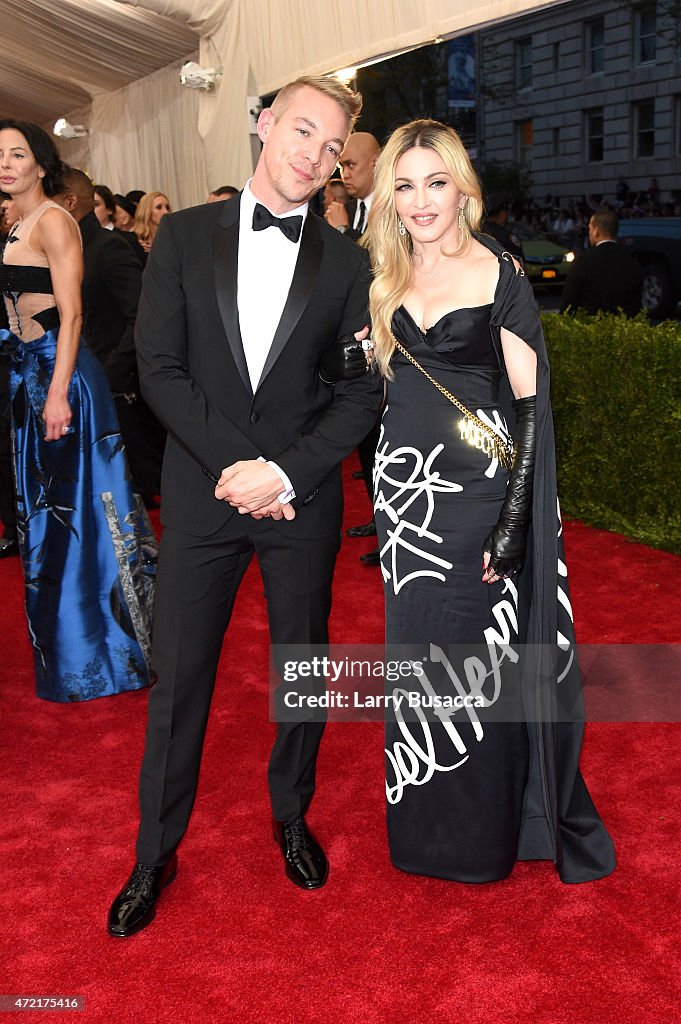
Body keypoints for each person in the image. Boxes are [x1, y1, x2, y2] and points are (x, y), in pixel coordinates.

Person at [107, 74, 383, 938]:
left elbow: (357, 393)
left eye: (332, 146)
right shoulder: (183, 237)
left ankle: (290, 816)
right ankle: (154, 852)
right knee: (180, 681)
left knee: (303, 671)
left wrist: (287, 473)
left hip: (297, 502)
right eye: (303, 131)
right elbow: (159, 368)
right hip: (203, 495)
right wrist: (238, 466)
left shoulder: (349, 263)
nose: (314, 154)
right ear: (263, 125)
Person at [358, 119, 615, 883]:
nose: (419, 200)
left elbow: (532, 406)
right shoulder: (384, 276)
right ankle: (423, 834)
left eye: (435, 182)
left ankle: (482, 836)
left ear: (462, 188)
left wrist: (512, 521)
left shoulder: (496, 271)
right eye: (403, 185)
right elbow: (380, 391)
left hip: (474, 498)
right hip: (404, 503)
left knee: (473, 666)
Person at [0, 119, 157, 701]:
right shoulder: (13, 224)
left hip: (62, 380)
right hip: (27, 377)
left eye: (18, 154)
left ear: (41, 164)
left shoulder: (55, 221)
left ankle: (109, 653)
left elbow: (72, 315)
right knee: (45, 519)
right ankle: (70, 647)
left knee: (82, 517)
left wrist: (59, 392)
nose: (6, 164)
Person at [54, 168, 165, 503]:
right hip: (87, 383)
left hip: (118, 390)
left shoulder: (107, 248)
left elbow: (142, 316)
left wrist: (109, 375)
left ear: (70, 202)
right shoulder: (67, 249)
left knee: (146, 489)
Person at [326, 132, 383, 563]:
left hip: (388, 351)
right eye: (341, 165)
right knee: (368, 446)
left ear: (378, 162)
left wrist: (343, 232)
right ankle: (382, 521)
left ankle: (392, 529)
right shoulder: (358, 209)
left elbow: (373, 276)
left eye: (351, 164)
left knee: (384, 446)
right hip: (360, 352)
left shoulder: (389, 211)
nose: (343, 173)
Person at [560, 210, 644, 317]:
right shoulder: (632, 260)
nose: (589, 233)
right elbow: (637, 302)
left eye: (590, 228)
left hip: (592, 326)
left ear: (596, 231)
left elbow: (569, 304)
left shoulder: (583, 261)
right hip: (625, 326)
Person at [133, 191, 171, 255]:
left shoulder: (174, 237)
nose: (165, 212)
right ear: (147, 211)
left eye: (167, 208)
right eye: (159, 207)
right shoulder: (134, 241)